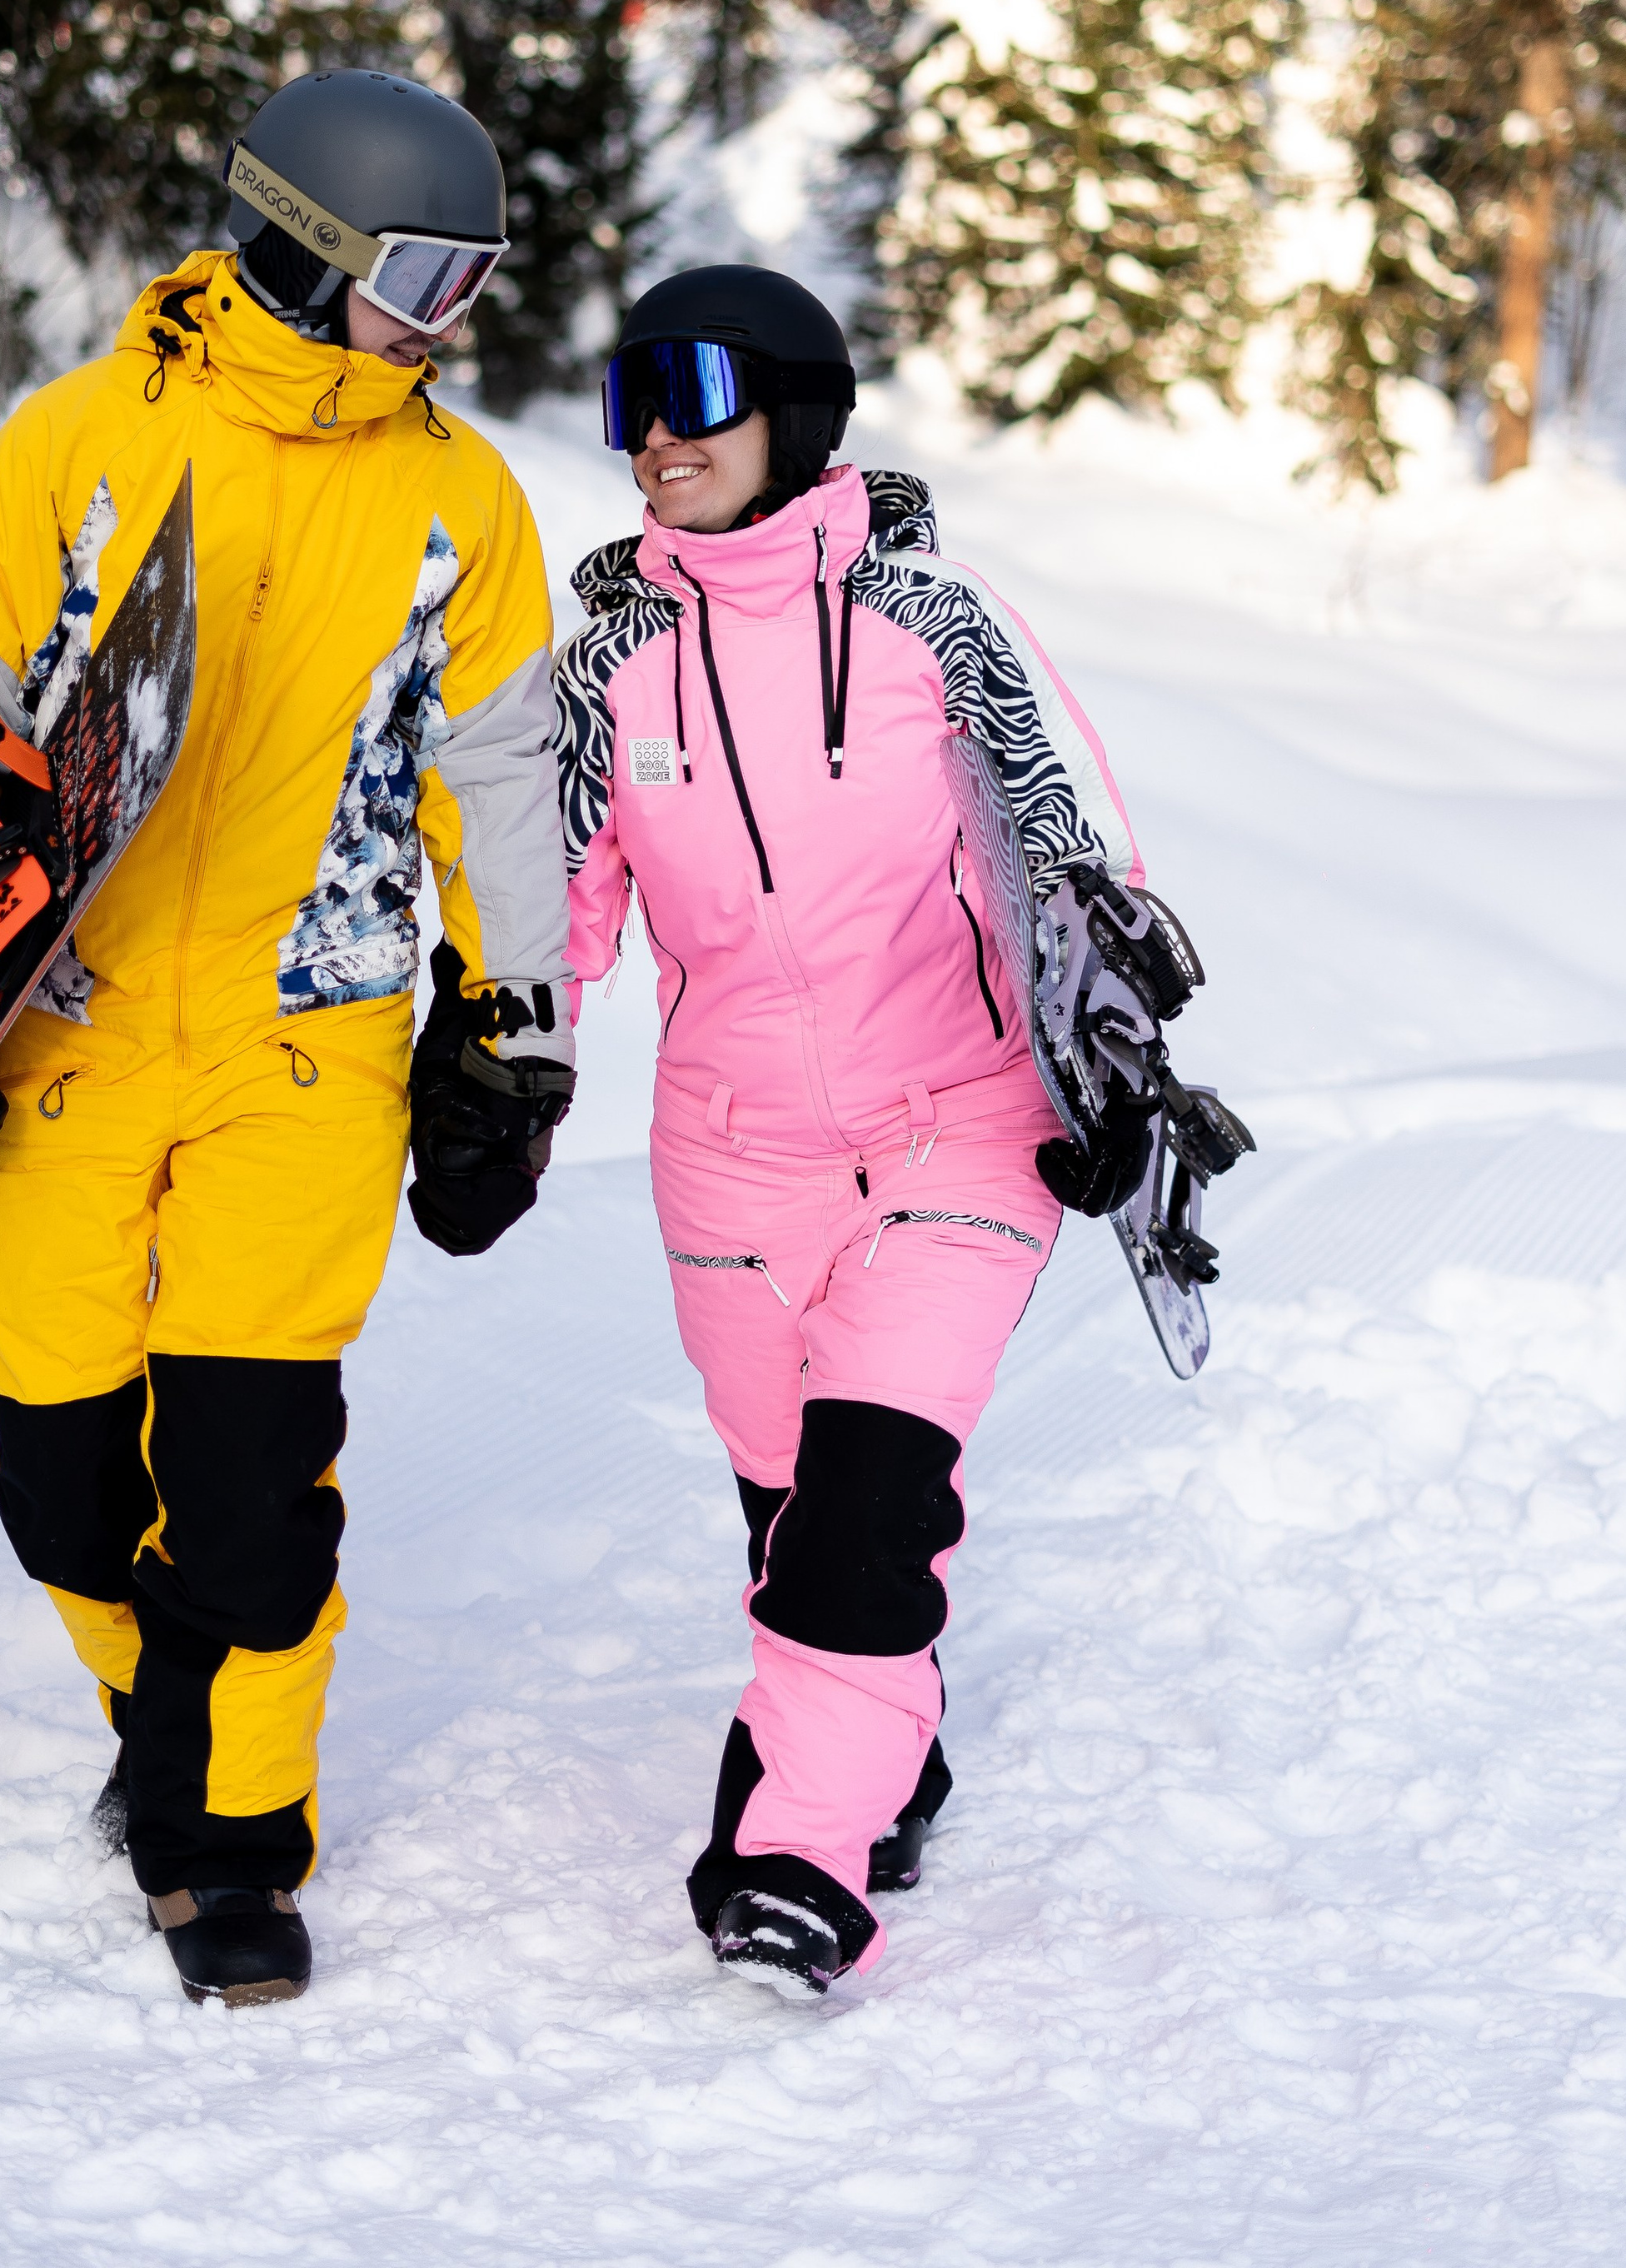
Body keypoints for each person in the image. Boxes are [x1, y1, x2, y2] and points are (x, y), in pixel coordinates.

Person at [0, 70, 576, 2007]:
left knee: (250, 1478)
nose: (453, 317)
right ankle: (164, 1712)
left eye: (478, 276)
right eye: (424, 272)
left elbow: (500, 786)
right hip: (59, 1036)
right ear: (304, 244)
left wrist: (509, 1041)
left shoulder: (458, 500)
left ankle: (228, 1844)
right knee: (60, 1479)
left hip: (302, 1045)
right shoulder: (78, 444)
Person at [554, 263, 1165, 1997]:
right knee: (787, 1517)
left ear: (797, 414)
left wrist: (1105, 1074)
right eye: (627, 404)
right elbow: (544, 920)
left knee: (863, 1511)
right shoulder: (607, 670)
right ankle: (882, 1744)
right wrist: (482, 1072)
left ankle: (800, 1861)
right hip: (728, 1160)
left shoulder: (932, 626)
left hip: (957, 1130)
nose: (654, 437)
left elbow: (1072, 863)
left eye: (691, 393)